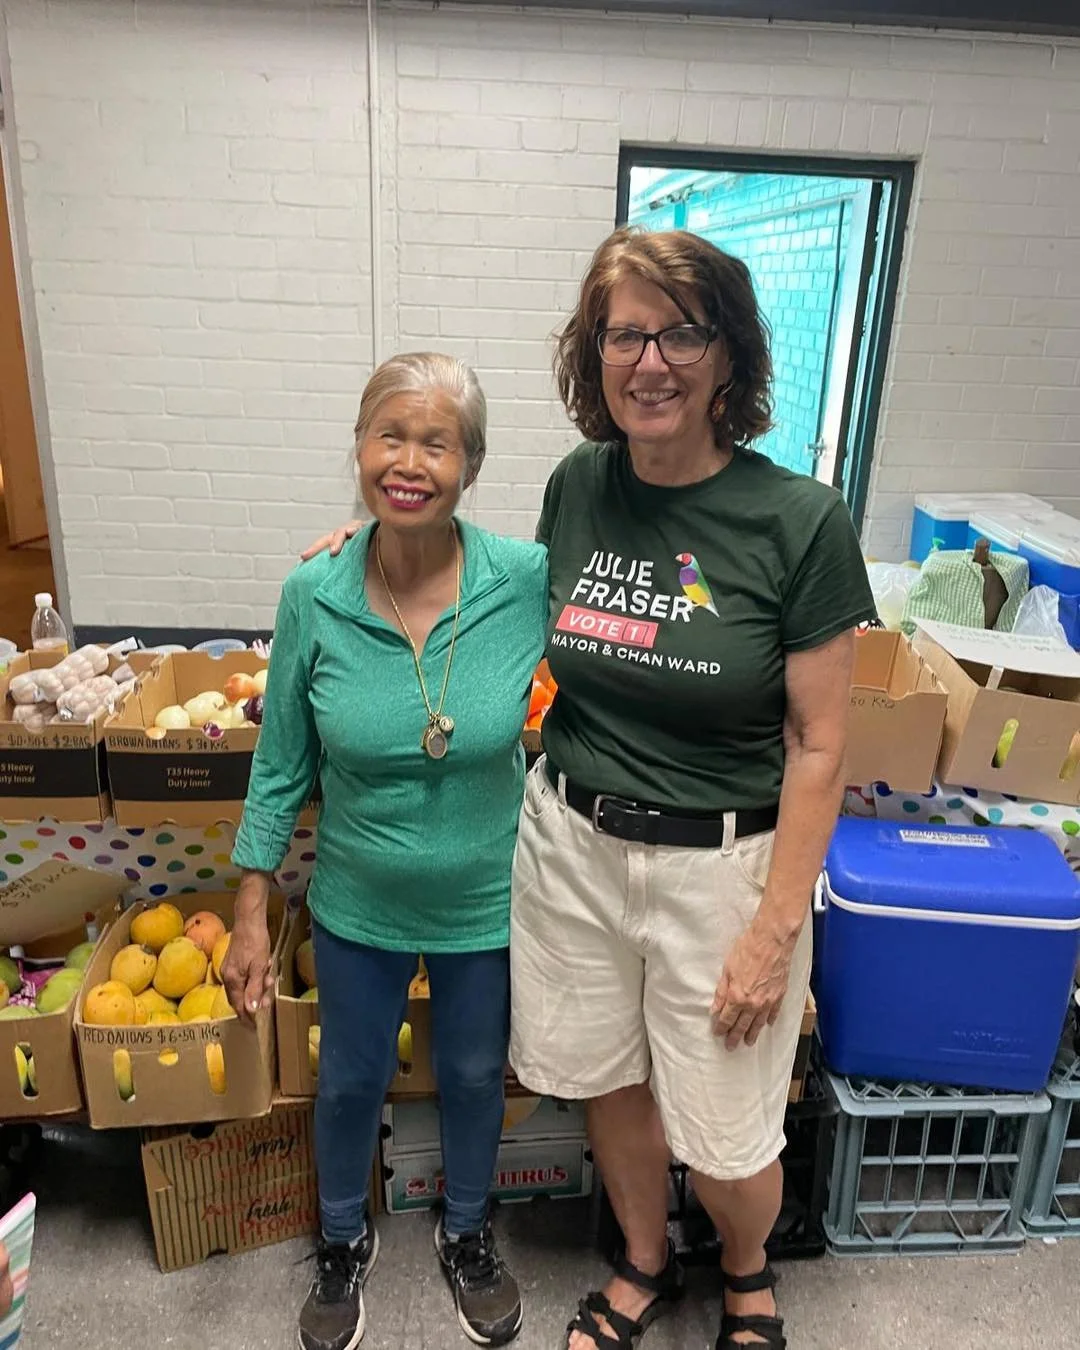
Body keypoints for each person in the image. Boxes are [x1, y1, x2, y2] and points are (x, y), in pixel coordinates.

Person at [305, 227, 876, 1350]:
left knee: (726, 1132)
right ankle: (643, 1262)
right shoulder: (579, 487)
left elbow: (819, 744)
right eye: (625, 334)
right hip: (571, 845)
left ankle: (749, 1273)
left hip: (726, 866)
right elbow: (491, 580)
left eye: (681, 332)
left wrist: (774, 930)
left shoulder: (797, 521)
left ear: (728, 356)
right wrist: (375, 549)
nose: (650, 361)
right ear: (594, 353)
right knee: (607, 1082)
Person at [224, 352, 548, 1350]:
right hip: (356, 897)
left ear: (472, 464)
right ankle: (337, 1240)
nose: (409, 461)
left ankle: (465, 1232)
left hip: (484, 898)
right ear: (360, 449)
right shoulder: (313, 592)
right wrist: (248, 912)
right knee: (351, 1078)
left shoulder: (525, 581)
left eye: (436, 443)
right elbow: (281, 766)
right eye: (390, 436)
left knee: (469, 1071)